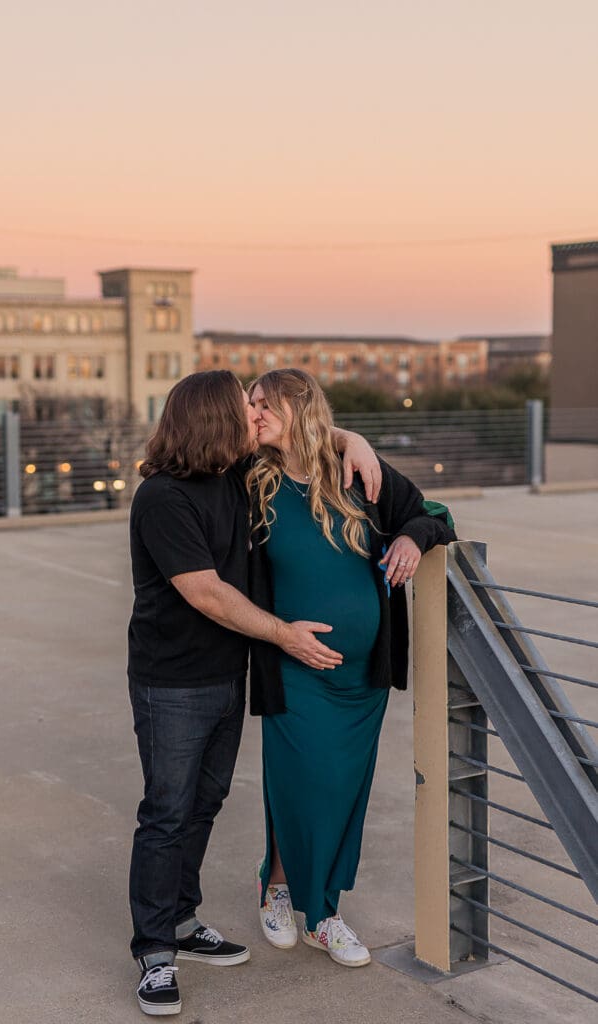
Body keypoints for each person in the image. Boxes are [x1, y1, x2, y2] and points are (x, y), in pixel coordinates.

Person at [127, 370, 381, 1015]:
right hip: (172, 682)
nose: (256, 415)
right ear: (216, 416)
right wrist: (286, 636)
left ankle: (184, 924)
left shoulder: (234, 478)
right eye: (247, 407)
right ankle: (156, 952)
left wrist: (354, 440)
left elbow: (305, 439)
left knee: (205, 803)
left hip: (224, 675)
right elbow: (206, 592)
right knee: (166, 811)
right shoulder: (163, 497)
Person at [247, 368, 456, 967]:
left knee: (341, 792)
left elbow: (434, 513)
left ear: (300, 409)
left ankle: (321, 909)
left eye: (267, 405)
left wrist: (414, 539)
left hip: (361, 679)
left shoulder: (359, 477)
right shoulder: (251, 480)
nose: (254, 413)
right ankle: (291, 895)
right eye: (252, 403)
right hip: (293, 664)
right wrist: (347, 433)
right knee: (298, 783)